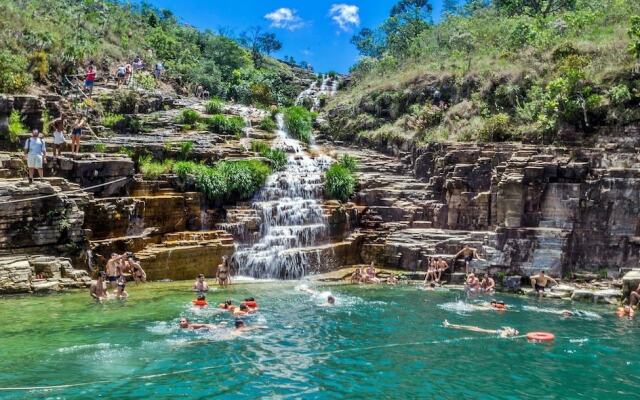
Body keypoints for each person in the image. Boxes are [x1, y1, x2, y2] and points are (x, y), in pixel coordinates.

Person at [443, 320, 519, 338]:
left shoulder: (505, 333)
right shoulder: (507, 331)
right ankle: (449, 325)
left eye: (514, 330)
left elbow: (502, 336)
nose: (513, 329)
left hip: (481, 331)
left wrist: (506, 334)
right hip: (481, 329)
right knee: (464, 327)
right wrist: (508, 329)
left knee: (464, 327)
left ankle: (448, 325)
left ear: (512, 333)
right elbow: (504, 326)